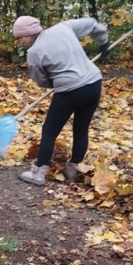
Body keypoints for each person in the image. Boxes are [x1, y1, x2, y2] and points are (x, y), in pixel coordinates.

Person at [12, 15, 111, 185]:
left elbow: (41, 81)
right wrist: (104, 42)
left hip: (69, 91)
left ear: (30, 33)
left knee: (49, 130)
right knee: (81, 129)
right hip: (93, 83)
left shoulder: (34, 53)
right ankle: (74, 168)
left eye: (21, 37)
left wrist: (56, 81)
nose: (20, 41)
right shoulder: (63, 28)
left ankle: (38, 172)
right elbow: (92, 24)